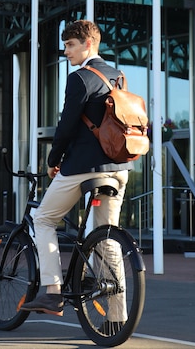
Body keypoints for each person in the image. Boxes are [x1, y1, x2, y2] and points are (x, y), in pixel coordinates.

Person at [20, 20, 132, 317]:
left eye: (70, 44)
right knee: (107, 235)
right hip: (119, 168)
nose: (66, 50)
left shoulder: (80, 78)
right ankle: (117, 317)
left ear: (88, 44)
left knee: (43, 219)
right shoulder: (118, 76)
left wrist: (53, 159)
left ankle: (52, 292)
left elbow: (66, 126)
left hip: (84, 166)